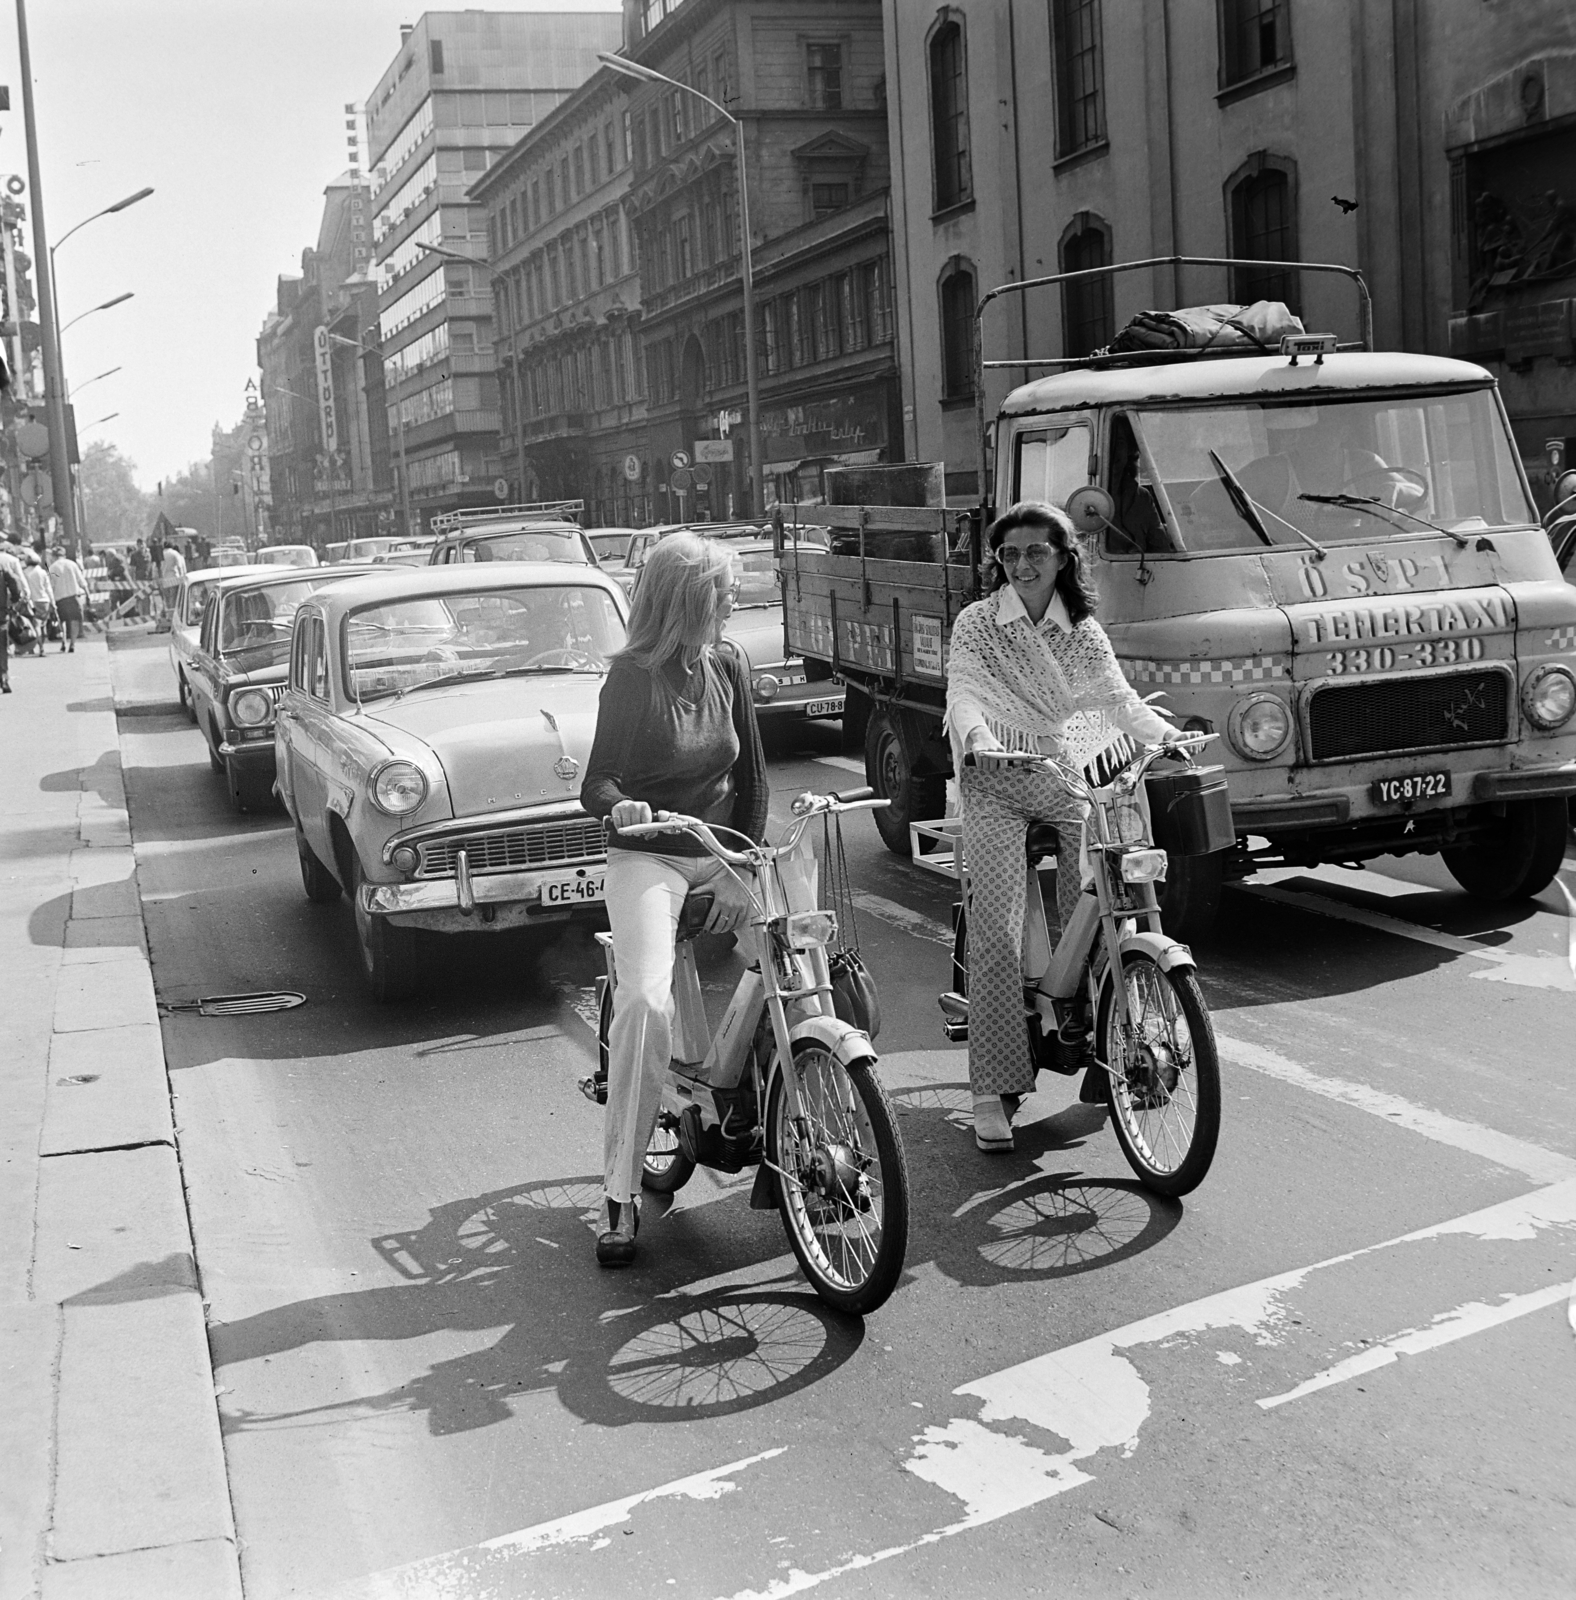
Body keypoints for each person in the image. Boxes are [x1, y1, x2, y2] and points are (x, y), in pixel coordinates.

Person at [945, 501, 1183, 1153]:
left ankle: (1102, 1031)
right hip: (995, 775)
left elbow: (1111, 702)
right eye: (1009, 554)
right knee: (995, 932)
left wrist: (1168, 736)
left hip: (1068, 761)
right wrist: (976, 738)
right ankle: (991, 1090)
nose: (1022, 565)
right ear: (997, 561)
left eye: (1036, 553)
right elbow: (963, 691)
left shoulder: (1080, 627)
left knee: (1115, 891)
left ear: (1063, 558)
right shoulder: (977, 623)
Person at [580, 532, 767, 1267]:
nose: (733, 604)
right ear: (690, 601)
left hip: (722, 852)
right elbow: (596, 781)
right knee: (647, 1003)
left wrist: (734, 869)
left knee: (805, 960)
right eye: (722, 593)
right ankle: (621, 1194)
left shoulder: (728, 663)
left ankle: (793, 1111)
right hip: (649, 857)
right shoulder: (630, 678)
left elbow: (754, 782)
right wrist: (621, 808)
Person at [47, 545, 89, 653]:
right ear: (64, 555)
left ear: (53, 556)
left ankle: (64, 641)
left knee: (62, 621)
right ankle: (73, 644)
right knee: (74, 620)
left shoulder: (52, 568)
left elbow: (51, 586)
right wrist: (88, 594)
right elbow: (81, 581)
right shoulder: (72, 564)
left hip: (60, 598)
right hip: (73, 596)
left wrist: (51, 602)